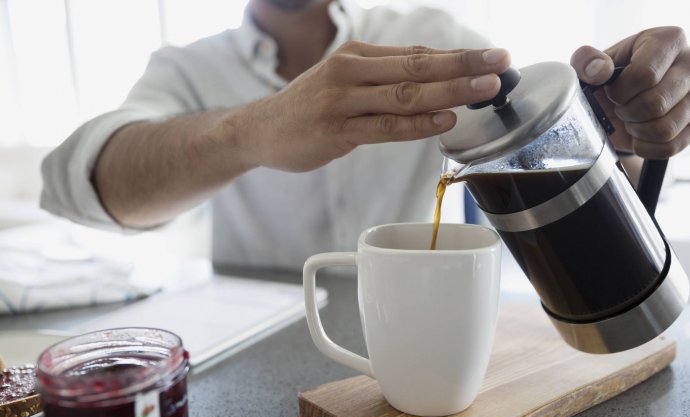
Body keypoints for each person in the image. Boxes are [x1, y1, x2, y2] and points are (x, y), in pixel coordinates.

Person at [41, 0, 690, 270]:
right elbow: (83, 183)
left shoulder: (435, 40)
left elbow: (557, 167)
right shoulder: (185, 68)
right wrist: (249, 131)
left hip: (433, 338)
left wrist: (623, 122)